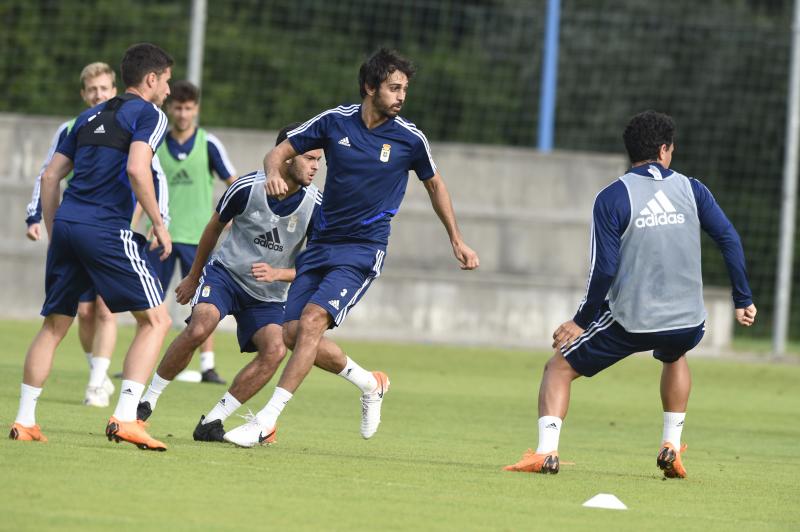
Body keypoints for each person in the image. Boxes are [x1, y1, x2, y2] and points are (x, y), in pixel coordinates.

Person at [222, 48, 480, 447]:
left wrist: (456, 240)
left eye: (405, 89)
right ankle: (368, 384)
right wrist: (273, 172)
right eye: (394, 88)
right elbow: (278, 152)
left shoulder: (410, 139)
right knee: (291, 333)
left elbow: (435, 185)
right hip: (321, 246)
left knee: (310, 323)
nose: (401, 96)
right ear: (369, 87)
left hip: (362, 249)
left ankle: (267, 421)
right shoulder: (333, 122)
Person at [504, 110, 757, 478]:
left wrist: (580, 321)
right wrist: (743, 298)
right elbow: (729, 238)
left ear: (631, 151)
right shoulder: (693, 188)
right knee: (676, 353)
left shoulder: (612, 196)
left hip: (631, 320)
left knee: (557, 367)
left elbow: (604, 268)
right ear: (665, 149)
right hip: (688, 321)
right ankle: (671, 445)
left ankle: (545, 452)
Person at [138, 123, 351, 443]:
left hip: (269, 295)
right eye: (309, 158)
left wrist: (281, 274)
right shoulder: (246, 188)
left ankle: (213, 420)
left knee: (275, 350)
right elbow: (213, 228)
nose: (315, 167)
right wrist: (194, 277)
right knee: (200, 326)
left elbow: (316, 264)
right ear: (288, 157)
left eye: (319, 160)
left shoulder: (315, 206)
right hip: (225, 275)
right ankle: (146, 403)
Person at [9, 43, 175, 452]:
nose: (169, 91)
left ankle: (25, 420)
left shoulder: (84, 118)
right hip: (105, 228)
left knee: (54, 324)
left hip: (67, 225)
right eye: (167, 81)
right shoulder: (150, 114)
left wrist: (57, 232)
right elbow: (139, 169)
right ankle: (125, 417)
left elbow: (50, 178)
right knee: (157, 321)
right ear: (151, 80)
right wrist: (158, 222)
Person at [25, 62, 119, 408]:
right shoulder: (71, 128)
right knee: (84, 313)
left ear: (114, 90)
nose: (99, 95)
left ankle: (96, 383)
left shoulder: (126, 125)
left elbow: (151, 174)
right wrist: (36, 217)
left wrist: (157, 219)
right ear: (84, 94)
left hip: (110, 230)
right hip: (76, 231)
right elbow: (47, 175)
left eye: (105, 88)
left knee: (107, 309)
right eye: (93, 90)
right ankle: (97, 367)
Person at [143, 79, 238, 384]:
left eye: (188, 108)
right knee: (149, 299)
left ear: (195, 110)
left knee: (204, 302)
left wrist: (234, 219)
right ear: (169, 108)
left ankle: (208, 366)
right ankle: (146, 359)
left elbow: (232, 184)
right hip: (162, 236)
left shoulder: (208, 143)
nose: (182, 114)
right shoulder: (155, 144)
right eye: (178, 108)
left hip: (198, 239)